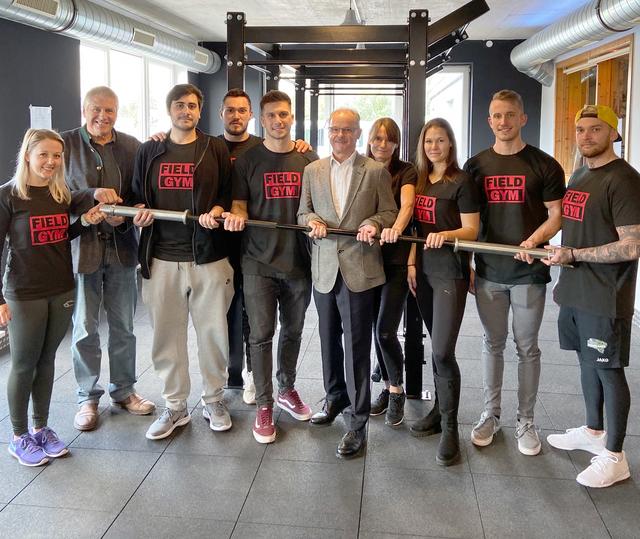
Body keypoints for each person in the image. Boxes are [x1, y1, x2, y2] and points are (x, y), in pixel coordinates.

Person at [463, 89, 565, 456]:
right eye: (496, 115)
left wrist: (532, 242)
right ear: (488, 120)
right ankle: (490, 414)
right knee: (492, 344)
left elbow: (557, 214)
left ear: (522, 118)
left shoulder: (544, 165)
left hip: (528, 274)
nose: (503, 122)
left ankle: (526, 420)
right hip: (489, 271)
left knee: (527, 347)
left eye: (510, 115)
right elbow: (468, 221)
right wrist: (469, 264)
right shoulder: (475, 167)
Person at [132, 83, 235, 440]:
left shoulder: (214, 148)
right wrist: (140, 213)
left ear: (199, 110)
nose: (186, 111)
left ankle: (214, 399)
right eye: (179, 105)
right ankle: (175, 406)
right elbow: (136, 198)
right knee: (166, 337)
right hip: (160, 258)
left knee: (213, 334)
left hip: (208, 257)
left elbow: (227, 192)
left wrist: (218, 210)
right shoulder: (150, 150)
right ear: (169, 109)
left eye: (192, 106)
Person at [544, 105, 640, 488]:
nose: (585, 136)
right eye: (580, 129)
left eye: (595, 129)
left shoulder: (625, 180)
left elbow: (632, 246)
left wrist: (575, 255)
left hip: (605, 295)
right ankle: (594, 431)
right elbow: (580, 227)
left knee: (608, 368)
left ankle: (615, 456)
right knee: (586, 362)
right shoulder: (582, 173)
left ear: (613, 134)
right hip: (575, 289)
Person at [297, 108, 397, 459]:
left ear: (358, 133)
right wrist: (311, 220)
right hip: (324, 268)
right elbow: (301, 211)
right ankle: (335, 396)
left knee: (356, 344)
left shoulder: (375, 171)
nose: (340, 135)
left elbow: (389, 213)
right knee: (327, 339)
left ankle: (357, 423)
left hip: (359, 266)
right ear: (328, 131)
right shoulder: (313, 170)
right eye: (335, 129)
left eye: (347, 129)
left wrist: (373, 222)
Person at [1, 129, 104, 466]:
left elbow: (61, 235)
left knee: (47, 361)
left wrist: (84, 223)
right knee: (23, 363)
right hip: (24, 291)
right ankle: (18, 437)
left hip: (61, 287)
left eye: (56, 156)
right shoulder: (9, 197)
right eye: (43, 154)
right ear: (28, 155)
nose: (50, 162)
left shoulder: (60, 194)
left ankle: (41, 428)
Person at [224, 90, 319, 443]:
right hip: (258, 262)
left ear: (291, 118)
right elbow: (239, 205)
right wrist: (237, 218)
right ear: (261, 121)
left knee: (293, 332)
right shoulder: (248, 160)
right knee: (261, 336)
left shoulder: (308, 159)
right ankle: (264, 404)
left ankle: (286, 388)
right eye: (271, 116)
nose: (278, 121)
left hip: (299, 262)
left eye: (284, 115)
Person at [61, 86, 155, 432]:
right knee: (85, 326)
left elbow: (140, 196)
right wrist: (91, 196)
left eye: (110, 111)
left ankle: (124, 391)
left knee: (124, 327)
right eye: (96, 110)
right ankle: (87, 395)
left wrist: (125, 215)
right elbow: (55, 194)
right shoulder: (64, 144)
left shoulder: (132, 146)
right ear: (84, 110)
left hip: (121, 249)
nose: (103, 117)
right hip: (82, 250)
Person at [404, 119, 480, 465]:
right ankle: (437, 413)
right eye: (428, 141)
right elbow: (415, 227)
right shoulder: (419, 181)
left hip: (451, 273)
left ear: (450, 144)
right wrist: (410, 263)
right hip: (423, 271)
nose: (434, 146)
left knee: (443, 352)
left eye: (440, 140)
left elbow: (473, 229)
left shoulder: (462, 181)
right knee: (436, 348)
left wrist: (447, 235)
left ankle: (451, 429)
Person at [365, 118, 416, 426]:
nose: (382, 144)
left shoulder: (406, 170)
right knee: (374, 329)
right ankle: (386, 386)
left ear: (396, 143)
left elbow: (407, 206)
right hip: (366, 260)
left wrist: (394, 229)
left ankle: (396, 390)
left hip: (394, 259)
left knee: (385, 329)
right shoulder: (362, 169)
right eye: (377, 138)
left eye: (388, 139)